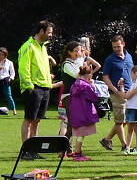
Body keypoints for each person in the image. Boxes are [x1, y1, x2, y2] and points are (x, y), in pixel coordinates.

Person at [19, 20, 55, 156]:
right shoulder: (28, 46)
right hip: (34, 88)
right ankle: (25, 151)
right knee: (29, 119)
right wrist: (29, 86)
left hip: (45, 87)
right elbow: (23, 68)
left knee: (37, 120)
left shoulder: (43, 47)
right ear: (41, 31)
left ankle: (34, 150)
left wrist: (48, 79)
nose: (51, 35)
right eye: (49, 32)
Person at [100, 35, 134, 152]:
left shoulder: (129, 56)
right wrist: (114, 89)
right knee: (120, 120)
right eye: (114, 47)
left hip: (129, 92)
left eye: (118, 46)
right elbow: (105, 76)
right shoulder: (110, 59)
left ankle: (107, 139)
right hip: (117, 93)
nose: (116, 49)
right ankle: (125, 145)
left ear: (123, 44)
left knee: (125, 120)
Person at [68, 65, 99, 161]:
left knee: (79, 133)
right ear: (89, 74)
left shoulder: (75, 84)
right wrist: (92, 85)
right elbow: (94, 97)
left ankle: (78, 153)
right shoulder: (86, 86)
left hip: (76, 112)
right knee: (81, 134)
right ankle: (77, 154)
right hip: (85, 112)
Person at [59, 41, 83, 138]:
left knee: (71, 122)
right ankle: (64, 148)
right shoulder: (67, 64)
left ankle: (64, 146)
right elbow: (77, 75)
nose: (78, 53)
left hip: (75, 96)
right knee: (72, 123)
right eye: (76, 51)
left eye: (79, 51)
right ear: (69, 52)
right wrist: (80, 61)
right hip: (68, 96)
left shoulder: (75, 63)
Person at [0, 47, 16, 115]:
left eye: (1, 54)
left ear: (5, 54)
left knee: (9, 96)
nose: (0, 55)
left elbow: (12, 72)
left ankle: (14, 110)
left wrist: (10, 79)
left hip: (6, 80)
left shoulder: (9, 62)